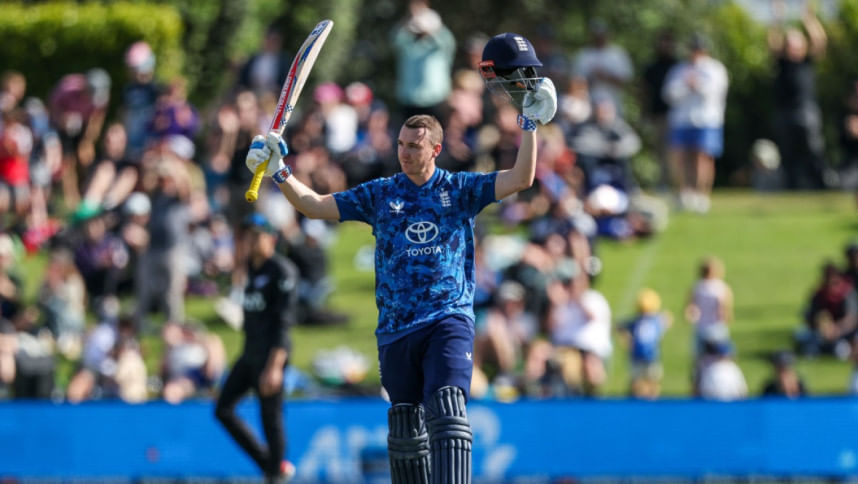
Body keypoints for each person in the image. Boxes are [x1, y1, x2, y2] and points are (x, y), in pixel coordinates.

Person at [245, 32, 556, 484]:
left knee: (448, 409)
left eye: (416, 146)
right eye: (401, 145)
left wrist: (530, 125)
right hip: (395, 328)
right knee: (406, 429)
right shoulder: (380, 193)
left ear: (435, 148)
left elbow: (522, 178)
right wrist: (280, 172)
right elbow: (314, 204)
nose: (406, 152)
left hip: (447, 317)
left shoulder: (459, 188)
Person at [214, 213, 300, 484]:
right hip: (250, 351)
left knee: (270, 417)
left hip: (271, 354)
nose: (251, 241)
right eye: (247, 236)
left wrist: (275, 366)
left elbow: (283, 323)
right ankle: (270, 465)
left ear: (271, 238)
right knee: (222, 409)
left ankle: (275, 473)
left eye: (257, 235)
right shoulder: (252, 269)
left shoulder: (281, 271)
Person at [662, 33, 728, 213]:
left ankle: (702, 195)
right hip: (682, 119)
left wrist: (696, 85)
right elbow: (669, 94)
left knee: (703, 158)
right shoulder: (679, 69)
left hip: (706, 119)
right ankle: (684, 194)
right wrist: (686, 86)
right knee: (680, 158)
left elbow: (715, 91)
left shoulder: (715, 69)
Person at [768, 0, 827, 190]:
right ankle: (790, 186)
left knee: (813, 149)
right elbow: (772, 42)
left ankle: (821, 184)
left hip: (806, 110)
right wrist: (777, 18)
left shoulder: (807, 61)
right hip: (784, 111)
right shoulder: (782, 62)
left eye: (796, 40)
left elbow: (819, 40)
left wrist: (808, 18)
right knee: (788, 151)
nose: (792, 44)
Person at [620, 288, 671, 399]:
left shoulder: (650, 321)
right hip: (641, 357)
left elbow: (620, 326)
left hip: (648, 357)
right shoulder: (647, 321)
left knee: (651, 383)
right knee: (639, 384)